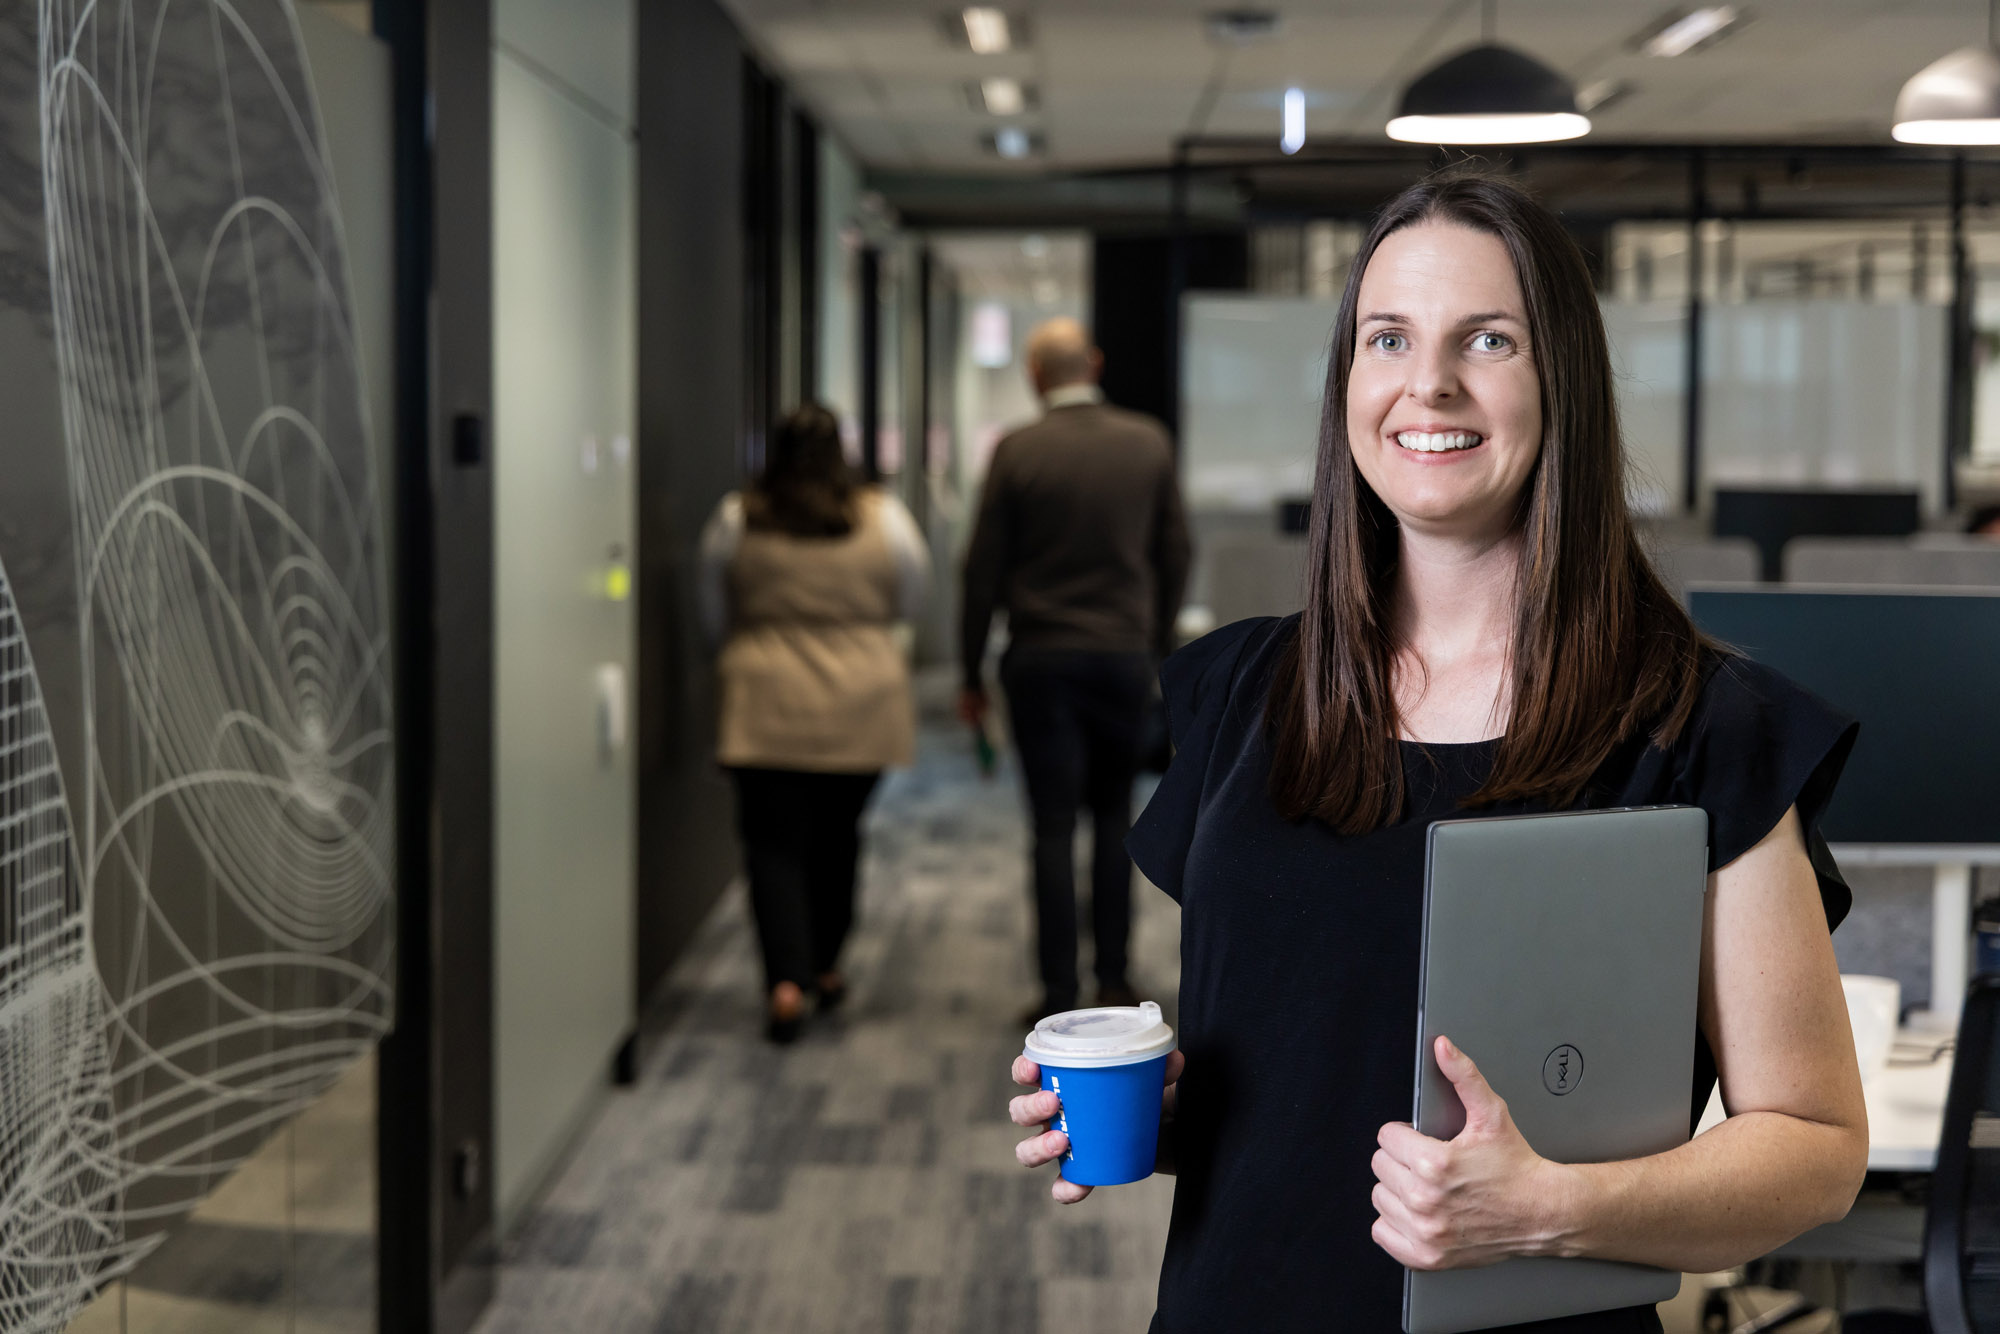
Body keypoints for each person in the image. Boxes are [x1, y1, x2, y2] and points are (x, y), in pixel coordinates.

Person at [1008, 172, 1869, 1332]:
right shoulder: (1241, 692)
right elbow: (1304, 1067)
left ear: (1558, 374)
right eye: (1387, 337)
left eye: (1487, 338)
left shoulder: (1697, 723)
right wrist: (1161, 1114)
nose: (1429, 383)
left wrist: (1548, 1209)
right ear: (1348, 380)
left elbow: (1812, 1149)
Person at [960, 317, 1192, 1023]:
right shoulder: (1146, 443)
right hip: (1122, 658)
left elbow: (981, 571)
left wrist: (969, 671)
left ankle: (1059, 992)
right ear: (1093, 364)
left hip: (1038, 661)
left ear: (1035, 378)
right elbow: (1176, 553)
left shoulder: (1017, 452)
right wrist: (1151, 642)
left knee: (1052, 828)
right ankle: (1115, 979)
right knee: (1115, 818)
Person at [698, 404, 928, 1043]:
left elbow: (711, 610)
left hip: (763, 697)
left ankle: (786, 982)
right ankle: (826, 964)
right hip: (863, 699)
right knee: (838, 836)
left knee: (772, 846)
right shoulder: (884, 517)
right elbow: (913, 596)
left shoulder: (735, 517)